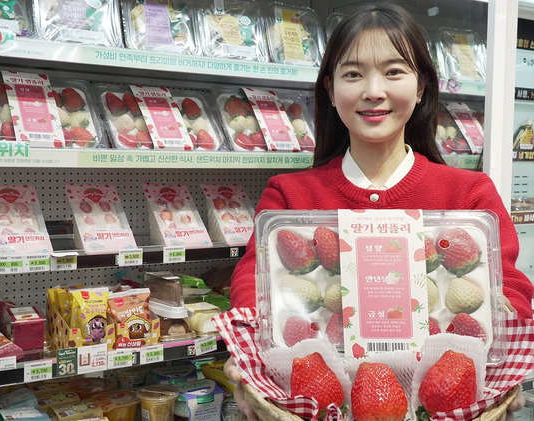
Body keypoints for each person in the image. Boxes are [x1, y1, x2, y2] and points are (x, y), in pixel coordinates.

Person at [225, 2, 533, 420]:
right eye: (353, 74)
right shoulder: (290, 196)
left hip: (441, 399)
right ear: (331, 90)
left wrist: (506, 360)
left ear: (421, 86)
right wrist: (247, 356)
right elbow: (253, 286)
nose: (374, 90)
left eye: (393, 71)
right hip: (318, 403)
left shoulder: (468, 194)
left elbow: (509, 289)